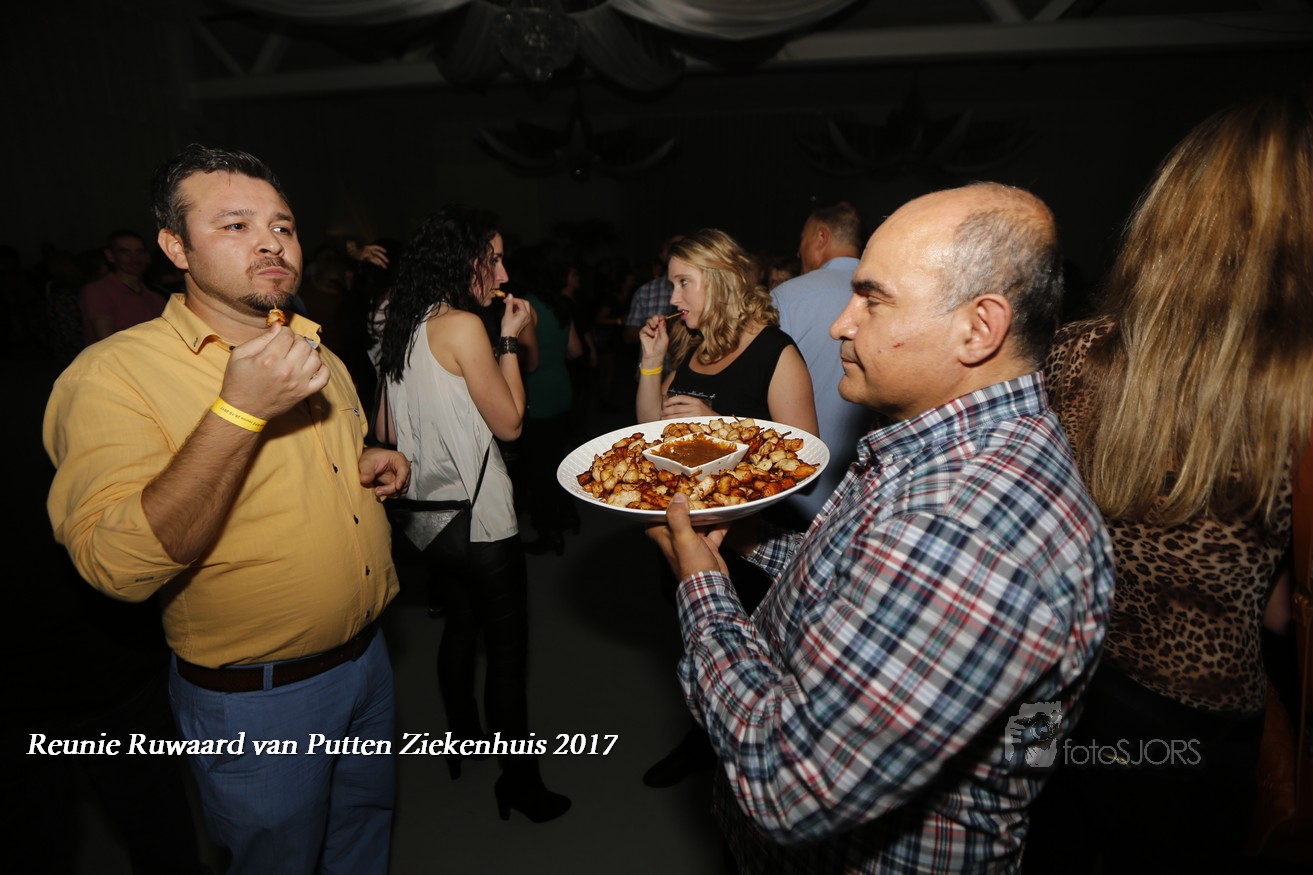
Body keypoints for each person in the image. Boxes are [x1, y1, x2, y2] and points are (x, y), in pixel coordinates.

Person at [647, 182, 1115, 873]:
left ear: (978, 328)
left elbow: (789, 780)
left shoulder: (967, 528)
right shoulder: (947, 452)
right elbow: (862, 572)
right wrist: (744, 541)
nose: (841, 324)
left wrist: (701, 586)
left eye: (873, 299)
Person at [44, 144, 409, 875]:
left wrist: (367, 458)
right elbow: (117, 566)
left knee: (362, 838)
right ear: (175, 248)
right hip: (257, 701)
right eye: (236, 225)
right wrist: (237, 413)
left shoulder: (315, 349)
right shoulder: (112, 375)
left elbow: (317, 459)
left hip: (369, 663)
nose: (271, 242)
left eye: (282, 225)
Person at [1026, 94, 1313, 872]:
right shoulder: (1295, 395)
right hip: (1198, 727)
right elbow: (1282, 610)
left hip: (1064, 687)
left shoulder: (1078, 352)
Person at [375, 205, 571, 823]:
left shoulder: (399, 318)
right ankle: (521, 784)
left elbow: (384, 429)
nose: (504, 272)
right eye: (495, 258)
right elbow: (511, 423)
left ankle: (463, 740)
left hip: (426, 517)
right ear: (465, 260)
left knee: (460, 628)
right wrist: (508, 338)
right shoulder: (462, 325)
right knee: (507, 655)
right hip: (480, 519)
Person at [636, 228, 816, 434]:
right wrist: (652, 360)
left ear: (720, 281)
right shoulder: (694, 346)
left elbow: (805, 448)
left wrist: (717, 424)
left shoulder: (774, 352)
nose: (673, 299)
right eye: (673, 285)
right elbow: (650, 426)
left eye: (683, 282)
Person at [772, 201, 877, 527]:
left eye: (802, 239)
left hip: (792, 491)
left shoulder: (786, 296)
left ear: (821, 237)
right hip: (867, 492)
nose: (798, 251)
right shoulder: (889, 299)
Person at [78, 229, 166, 343]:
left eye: (140, 252)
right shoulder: (97, 291)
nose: (135, 258)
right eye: (125, 252)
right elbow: (108, 340)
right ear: (110, 256)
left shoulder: (156, 298)